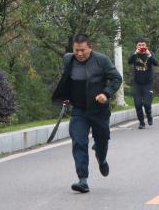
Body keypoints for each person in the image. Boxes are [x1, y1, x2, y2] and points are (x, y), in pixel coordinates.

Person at [52, 34, 122, 193]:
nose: (79, 53)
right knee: (79, 142)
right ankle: (82, 180)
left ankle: (101, 158)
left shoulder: (101, 60)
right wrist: (66, 96)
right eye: (76, 50)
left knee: (102, 141)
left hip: (99, 110)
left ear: (90, 47)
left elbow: (116, 78)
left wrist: (106, 93)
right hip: (79, 111)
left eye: (83, 50)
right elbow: (68, 80)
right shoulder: (68, 59)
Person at [127, 38, 159, 129]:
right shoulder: (135, 55)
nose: (141, 47)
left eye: (143, 45)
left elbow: (156, 63)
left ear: (146, 46)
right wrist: (135, 53)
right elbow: (129, 61)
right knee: (137, 104)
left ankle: (149, 116)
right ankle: (141, 122)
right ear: (136, 46)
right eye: (139, 45)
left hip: (148, 83)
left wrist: (149, 55)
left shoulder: (149, 54)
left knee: (147, 104)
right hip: (137, 83)